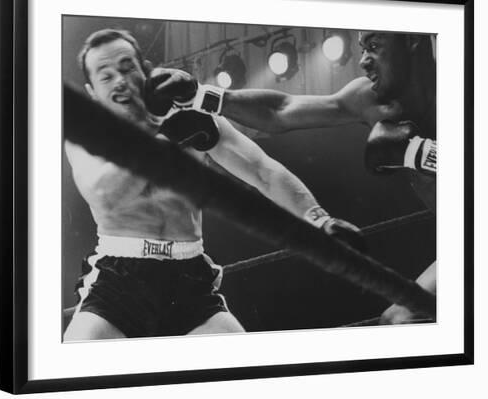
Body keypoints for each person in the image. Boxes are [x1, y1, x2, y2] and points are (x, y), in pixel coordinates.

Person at [63, 28, 363, 341]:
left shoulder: (188, 112)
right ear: (91, 91)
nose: (120, 81)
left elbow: (263, 171)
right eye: (106, 75)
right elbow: (107, 194)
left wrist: (319, 219)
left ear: (147, 71)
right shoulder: (87, 134)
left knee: (241, 375)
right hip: (118, 281)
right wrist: (169, 137)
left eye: (127, 68)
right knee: (72, 374)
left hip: (188, 277)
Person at [152, 31, 436, 325]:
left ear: (412, 38)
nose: (364, 60)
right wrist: (199, 95)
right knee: (399, 320)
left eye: (375, 46)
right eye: (362, 48)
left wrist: (422, 153)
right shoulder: (368, 99)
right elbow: (280, 111)